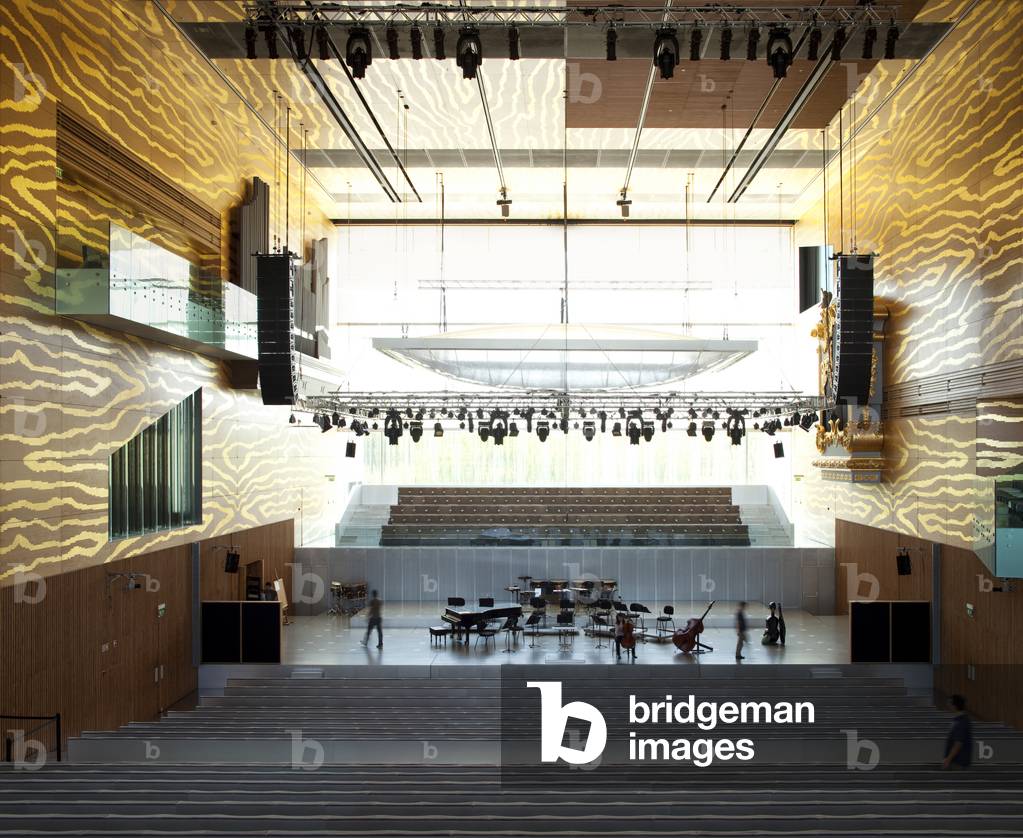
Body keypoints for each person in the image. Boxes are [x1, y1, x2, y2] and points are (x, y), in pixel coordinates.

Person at [943, 694, 972, 769]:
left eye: (949, 703)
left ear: (955, 706)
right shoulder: (957, 720)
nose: (947, 705)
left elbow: (958, 743)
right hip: (955, 762)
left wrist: (948, 760)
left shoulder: (962, 721)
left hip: (958, 762)